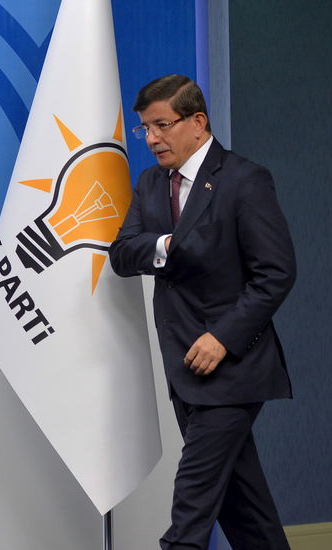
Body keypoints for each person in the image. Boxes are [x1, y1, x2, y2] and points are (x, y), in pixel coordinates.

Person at [109, 74, 296, 550]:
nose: (151, 139)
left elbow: (275, 272)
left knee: (190, 513)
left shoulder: (244, 180)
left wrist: (223, 338)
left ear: (197, 121)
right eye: (144, 129)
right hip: (182, 366)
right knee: (244, 509)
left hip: (231, 368)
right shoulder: (151, 183)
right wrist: (168, 244)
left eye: (161, 125)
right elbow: (123, 254)